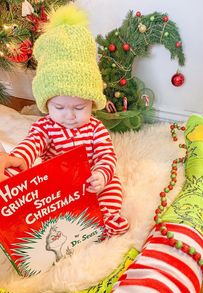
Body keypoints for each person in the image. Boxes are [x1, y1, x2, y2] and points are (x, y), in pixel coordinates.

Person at [0, 4, 129, 237]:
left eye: (80, 107)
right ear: (46, 103)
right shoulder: (45, 126)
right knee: (40, 197)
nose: (69, 115)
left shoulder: (95, 129)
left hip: (91, 179)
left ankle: (107, 218)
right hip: (60, 184)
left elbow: (106, 156)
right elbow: (33, 144)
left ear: (92, 103)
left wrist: (101, 174)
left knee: (111, 188)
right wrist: (18, 158)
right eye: (59, 107)